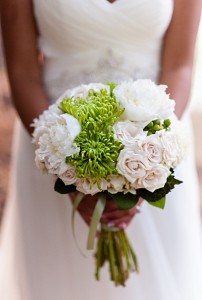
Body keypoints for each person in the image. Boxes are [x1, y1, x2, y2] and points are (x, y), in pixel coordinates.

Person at [0, 0, 202, 299]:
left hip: (155, 148)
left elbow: (180, 66)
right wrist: (68, 173)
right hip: (53, 146)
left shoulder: (156, 150)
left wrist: (152, 157)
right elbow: (22, 72)